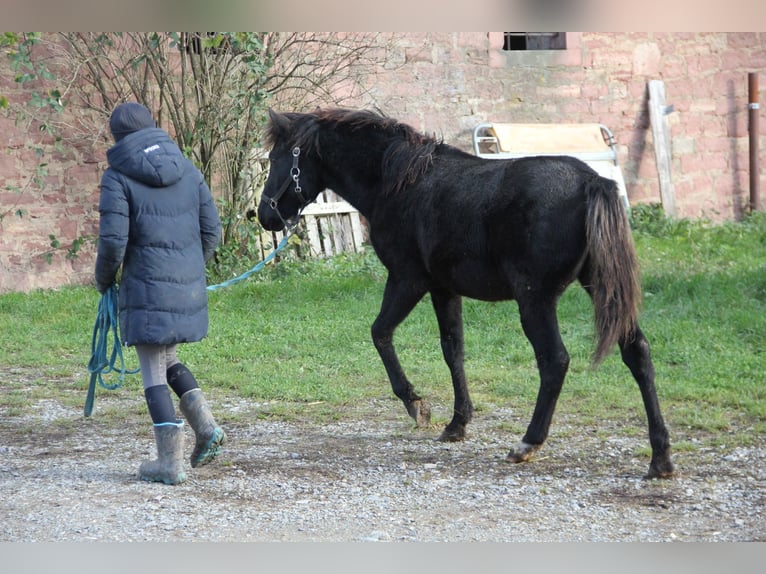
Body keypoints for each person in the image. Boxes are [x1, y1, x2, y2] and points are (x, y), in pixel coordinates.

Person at [94, 102, 226, 485]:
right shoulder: (188, 169)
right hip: (185, 285)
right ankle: (207, 428)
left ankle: (169, 463)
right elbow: (211, 232)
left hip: (147, 286)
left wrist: (104, 279)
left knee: (152, 368)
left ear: (117, 137)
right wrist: (187, 270)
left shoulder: (117, 177)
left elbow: (114, 242)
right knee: (167, 357)